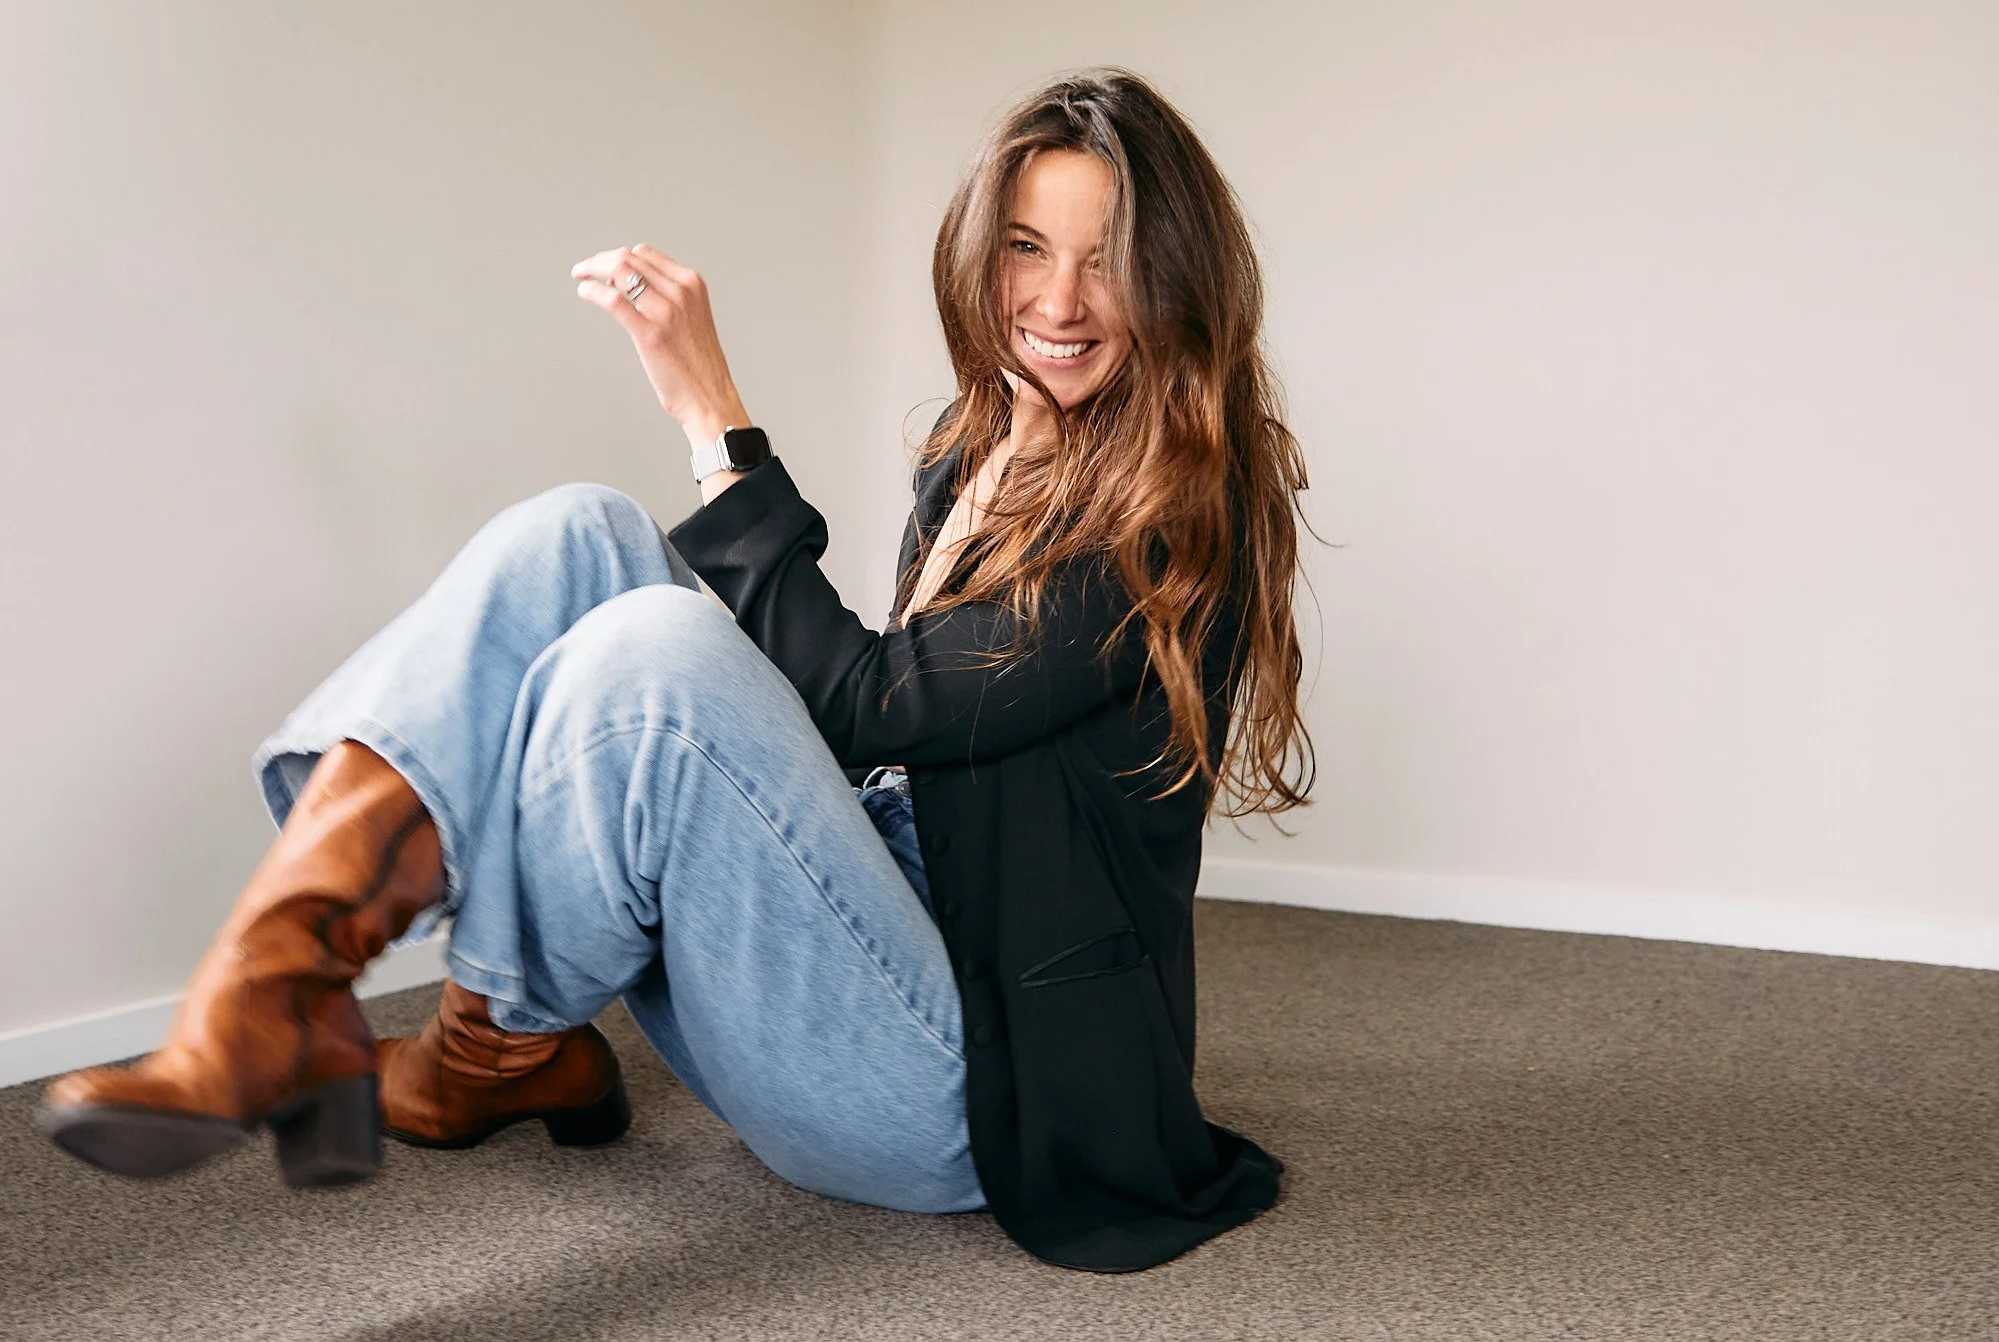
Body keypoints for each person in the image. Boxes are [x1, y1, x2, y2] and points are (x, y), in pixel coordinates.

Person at [37, 65, 1315, 1273]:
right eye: (1028, 249)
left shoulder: (1178, 509)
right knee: (579, 531)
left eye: (1106, 260)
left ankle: (491, 1044)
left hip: (981, 1091)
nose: (1058, 302)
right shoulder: (993, 436)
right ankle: (270, 997)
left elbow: (871, 703)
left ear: (1172, 278)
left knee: (660, 652)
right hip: (884, 921)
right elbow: (897, 732)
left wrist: (714, 418)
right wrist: (990, 480)